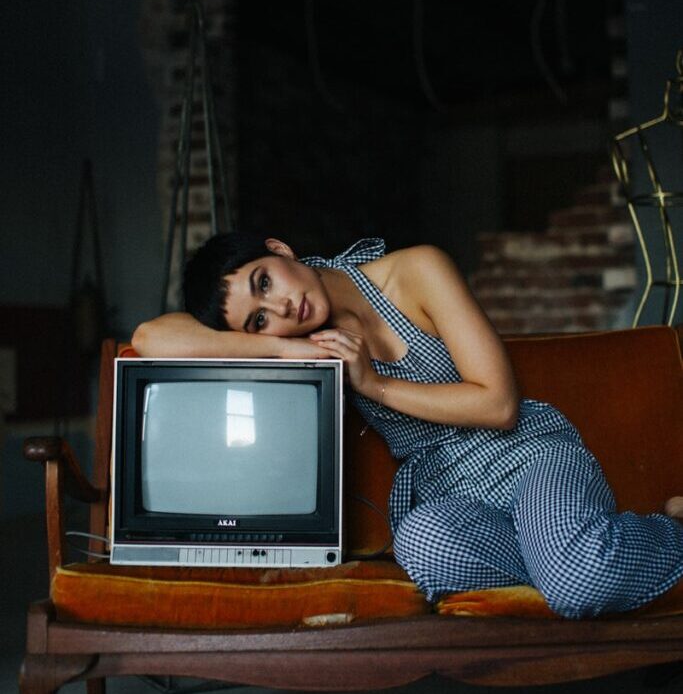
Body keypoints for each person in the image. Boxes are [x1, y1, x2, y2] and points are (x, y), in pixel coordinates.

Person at [133, 233, 683, 619]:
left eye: (264, 282)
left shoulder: (416, 270)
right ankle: (563, 553)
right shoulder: (298, 341)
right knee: (422, 548)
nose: (280, 307)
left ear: (279, 250)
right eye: (259, 318)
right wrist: (279, 349)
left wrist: (371, 383)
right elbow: (153, 336)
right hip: (448, 494)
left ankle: (669, 532)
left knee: (579, 580)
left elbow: (498, 404)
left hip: (529, 457)